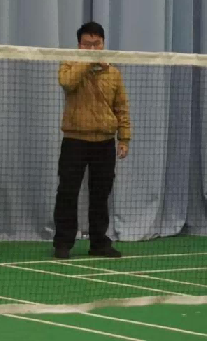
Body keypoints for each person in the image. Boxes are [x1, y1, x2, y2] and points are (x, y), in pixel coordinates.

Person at [53, 21, 130, 260]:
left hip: (105, 142)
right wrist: (87, 62)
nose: (93, 48)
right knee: (67, 192)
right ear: (79, 44)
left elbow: (121, 107)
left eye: (97, 44)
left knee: (101, 194)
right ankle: (63, 243)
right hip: (75, 140)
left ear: (103, 44)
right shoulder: (69, 64)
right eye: (88, 44)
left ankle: (99, 242)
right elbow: (67, 83)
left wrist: (124, 137)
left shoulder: (113, 73)